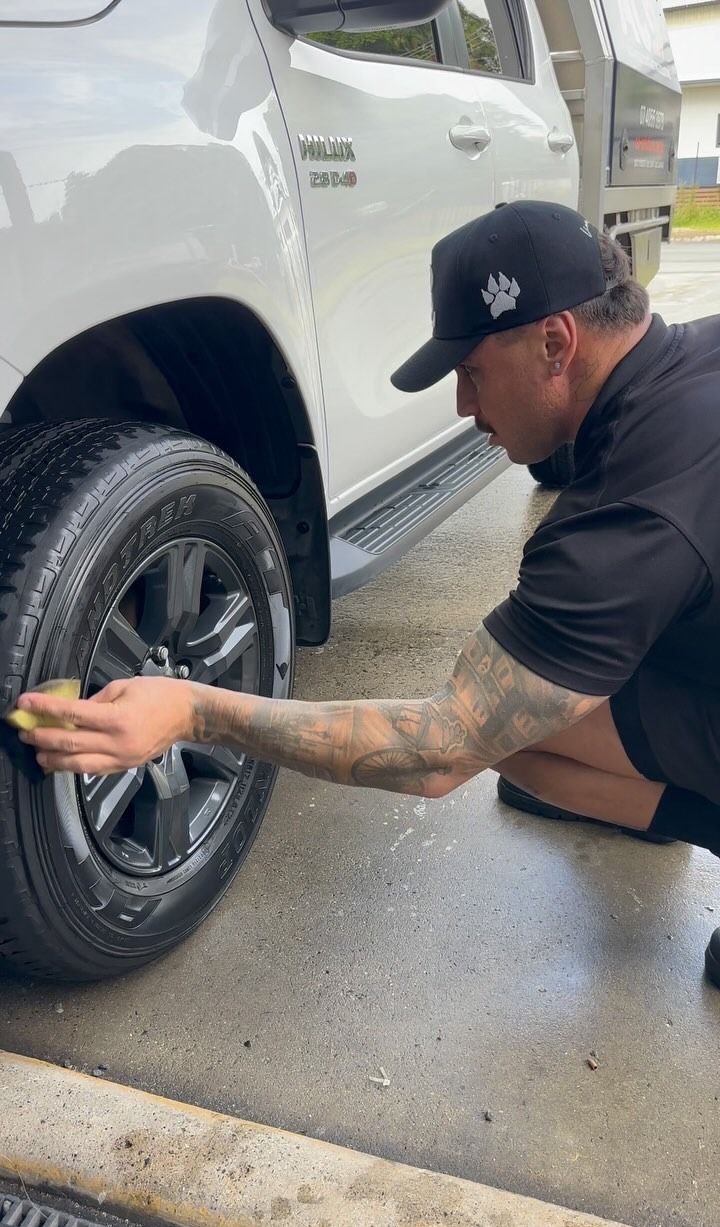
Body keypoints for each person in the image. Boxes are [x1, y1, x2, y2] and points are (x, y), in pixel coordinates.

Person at [16, 200, 720, 988]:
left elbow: (441, 750)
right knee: (527, 728)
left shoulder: (629, 518)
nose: (464, 405)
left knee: (500, 736)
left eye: (472, 373)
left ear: (555, 343)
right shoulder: (693, 364)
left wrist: (192, 710)